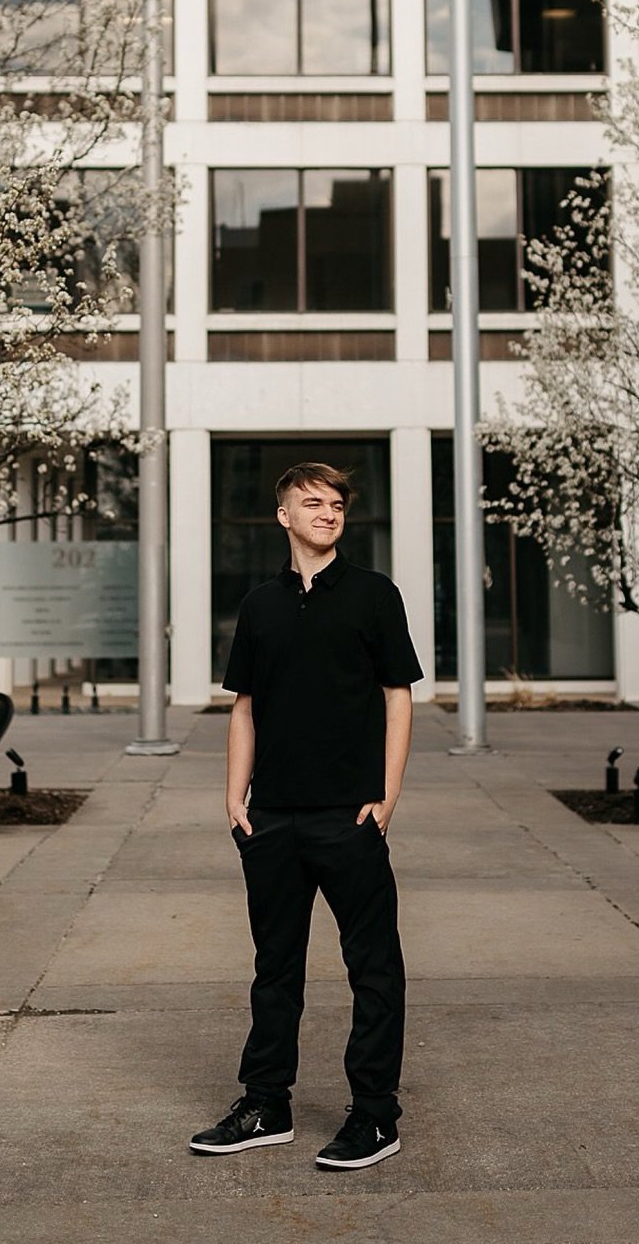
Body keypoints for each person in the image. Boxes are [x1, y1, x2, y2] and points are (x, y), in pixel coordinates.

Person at [189, 462, 423, 1171]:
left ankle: (375, 1117)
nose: (328, 512)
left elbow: (398, 698)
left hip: (348, 817)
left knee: (374, 969)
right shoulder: (259, 605)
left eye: (337, 504)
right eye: (312, 503)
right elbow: (245, 707)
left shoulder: (375, 596)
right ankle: (267, 1105)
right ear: (283, 516)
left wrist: (387, 798)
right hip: (272, 821)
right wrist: (234, 799)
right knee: (274, 971)